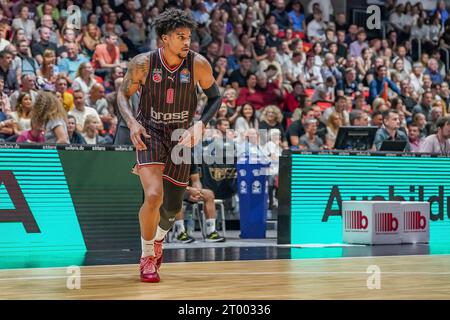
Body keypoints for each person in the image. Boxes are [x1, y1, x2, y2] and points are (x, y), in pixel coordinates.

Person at [117, 9, 222, 283]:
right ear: (164, 39)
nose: (187, 42)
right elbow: (122, 94)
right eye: (181, 36)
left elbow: (215, 98)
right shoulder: (142, 64)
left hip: (180, 136)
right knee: (153, 196)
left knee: (173, 208)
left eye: (189, 36)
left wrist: (201, 124)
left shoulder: (198, 64)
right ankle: (147, 256)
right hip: (149, 132)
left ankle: (160, 238)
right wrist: (132, 123)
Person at [172, 162, 226, 243]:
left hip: (187, 190)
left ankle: (210, 232)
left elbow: (196, 180)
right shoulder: (167, 158)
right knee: (176, 194)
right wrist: (189, 190)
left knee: (209, 194)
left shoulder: (189, 158)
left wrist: (197, 192)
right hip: (168, 191)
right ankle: (180, 233)